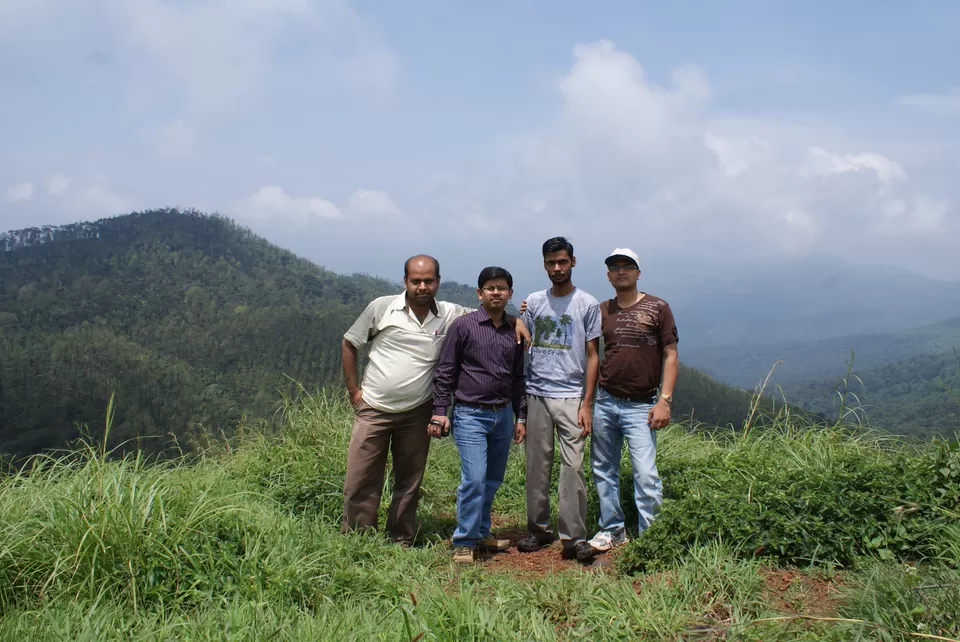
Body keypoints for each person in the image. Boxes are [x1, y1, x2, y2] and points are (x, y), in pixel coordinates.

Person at [341, 255, 528, 546]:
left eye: (429, 280)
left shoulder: (449, 313)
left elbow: (489, 312)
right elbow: (350, 342)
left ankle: (400, 539)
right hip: (374, 408)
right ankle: (356, 541)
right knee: (361, 477)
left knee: (409, 480)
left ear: (438, 282)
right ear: (405, 282)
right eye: (416, 281)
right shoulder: (382, 307)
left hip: (418, 411)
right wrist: (355, 392)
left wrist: (516, 320)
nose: (422, 286)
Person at [577, 248, 679, 561]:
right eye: (615, 268)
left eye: (627, 267)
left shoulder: (658, 307)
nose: (621, 272)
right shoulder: (601, 310)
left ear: (638, 272)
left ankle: (652, 537)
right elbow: (591, 353)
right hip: (607, 400)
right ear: (608, 275)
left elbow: (671, 355)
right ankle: (613, 529)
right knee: (603, 469)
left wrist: (664, 400)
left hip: (641, 404)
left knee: (646, 474)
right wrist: (588, 403)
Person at [430, 266, 527, 564]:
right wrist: (439, 411)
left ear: (510, 293)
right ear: (479, 293)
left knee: (492, 480)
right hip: (470, 413)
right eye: (490, 287)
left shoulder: (515, 331)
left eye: (502, 287)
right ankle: (464, 540)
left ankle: (481, 533)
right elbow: (445, 370)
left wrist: (520, 416)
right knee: (473, 479)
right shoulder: (464, 326)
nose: (496, 292)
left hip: (502, 416)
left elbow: (518, 378)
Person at [515, 237, 601, 560]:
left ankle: (573, 536)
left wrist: (587, 403)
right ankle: (537, 530)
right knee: (537, 466)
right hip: (537, 391)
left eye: (562, 262)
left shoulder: (587, 304)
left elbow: (593, 355)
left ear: (573, 263)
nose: (557, 268)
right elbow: (522, 329)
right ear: (545, 265)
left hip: (570, 395)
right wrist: (520, 320)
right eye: (551, 263)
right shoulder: (535, 301)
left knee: (573, 466)